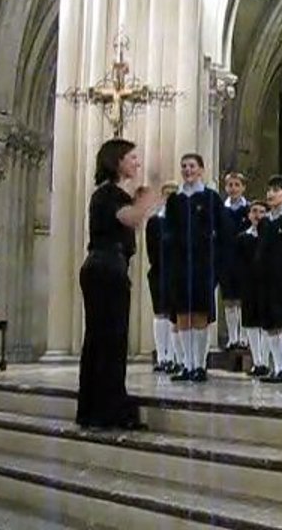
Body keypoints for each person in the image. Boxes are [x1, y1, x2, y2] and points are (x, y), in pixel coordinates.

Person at [76, 139, 156, 430]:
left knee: (102, 340)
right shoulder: (109, 195)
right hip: (106, 268)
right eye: (133, 157)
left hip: (105, 268)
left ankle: (94, 409)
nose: (137, 162)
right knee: (110, 339)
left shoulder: (110, 194)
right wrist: (146, 201)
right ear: (118, 161)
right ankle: (107, 411)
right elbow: (130, 218)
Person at [165, 153, 231, 383]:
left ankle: (200, 365)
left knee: (200, 313)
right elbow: (168, 232)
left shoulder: (211, 198)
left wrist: (217, 261)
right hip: (181, 265)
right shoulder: (175, 200)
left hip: (203, 264)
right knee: (182, 314)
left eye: (192, 166)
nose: (187, 170)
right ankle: (186, 363)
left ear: (201, 170)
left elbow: (224, 231)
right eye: (184, 166)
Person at [257, 176, 282, 383]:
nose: (271, 194)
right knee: (270, 324)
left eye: (276, 190)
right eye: (269, 190)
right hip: (266, 279)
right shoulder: (265, 222)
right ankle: (276, 367)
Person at [146, 181, 179, 373]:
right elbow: (152, 249)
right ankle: (162, 355)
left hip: (177, 271)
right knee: (161, 312)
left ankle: (174, 356)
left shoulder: (182, 221)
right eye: (167, 194)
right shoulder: (155, 221)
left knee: (175, 314)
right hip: (159, 270)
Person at [237, 201, 269, 377]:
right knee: (251, 323)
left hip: (266, 284)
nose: (258, 215)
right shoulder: (243, 237)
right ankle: (257, 361)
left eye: (262, 212)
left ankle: (265, 361)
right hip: (249, 285)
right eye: (254, 211)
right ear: (249, 215)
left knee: (265, 324)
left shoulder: (270, 236)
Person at [222, 172, 250, 350]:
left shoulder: (249, 209)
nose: (233, 188)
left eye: (236, 185)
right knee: (229, 299)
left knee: (244, 298)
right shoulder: (221, 210)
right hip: (227, 258)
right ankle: (232, 337)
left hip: (245, 259)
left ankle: (244, 336)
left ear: (243, 187)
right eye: (230, 185)